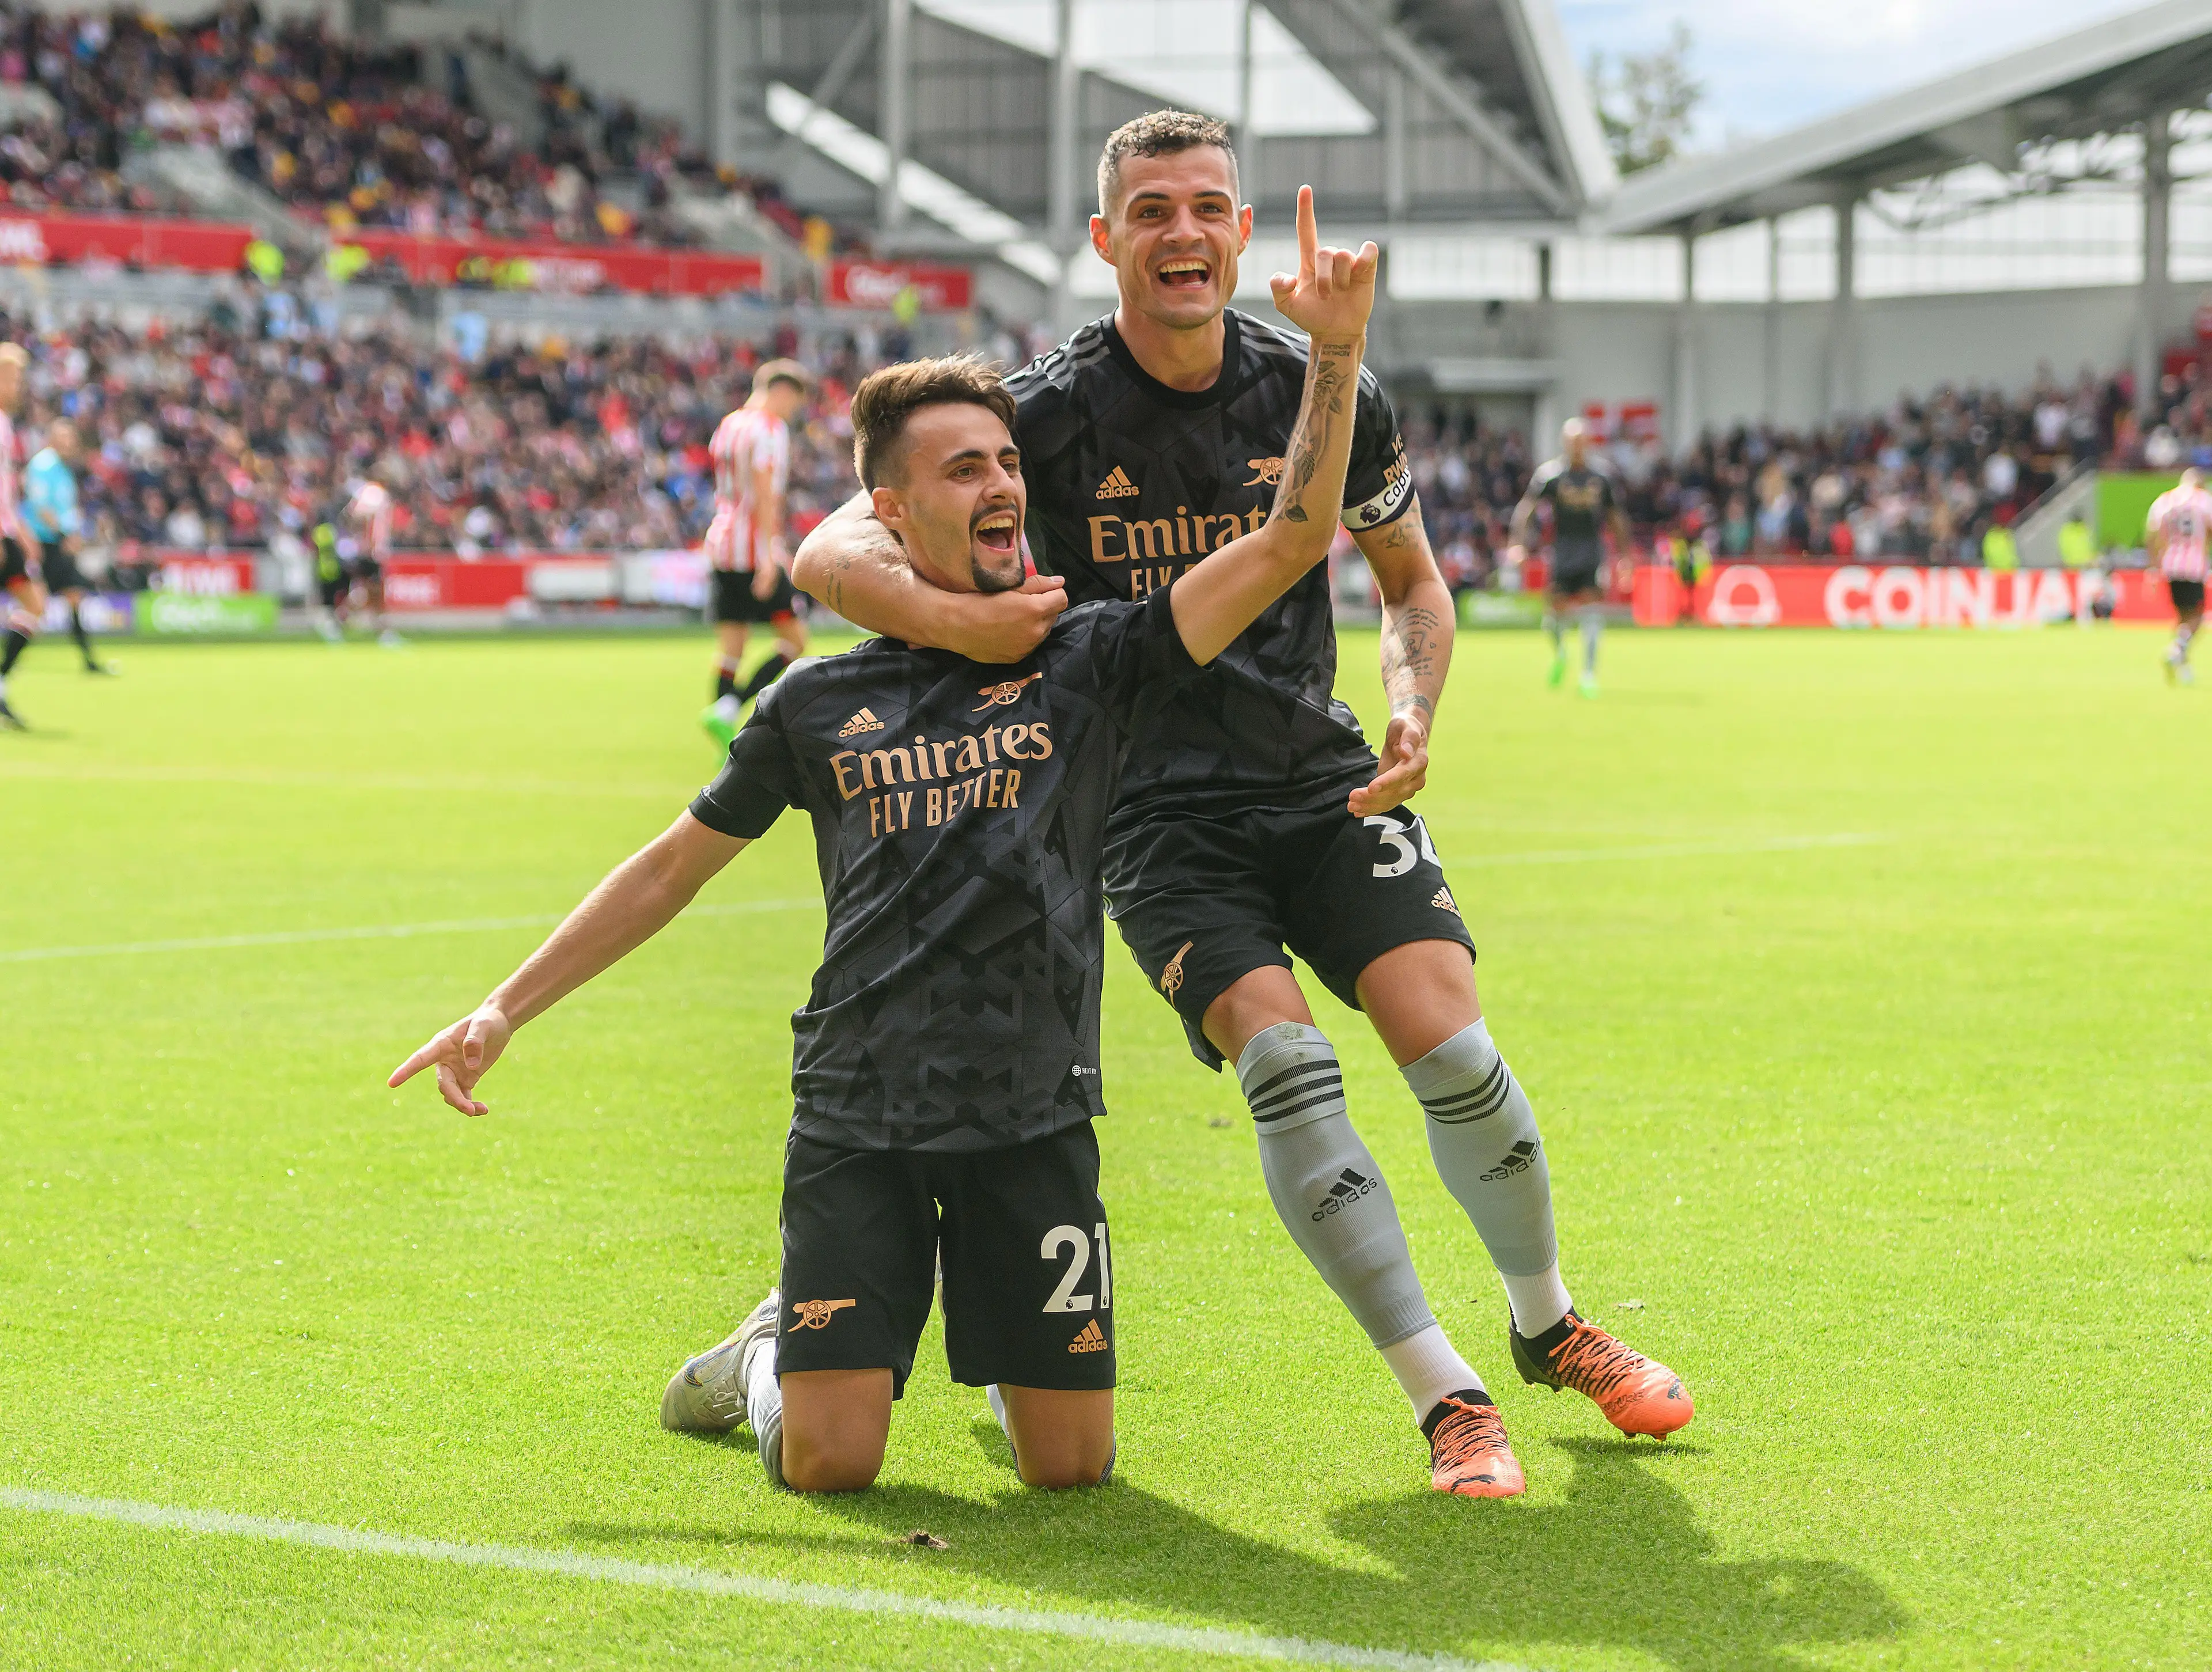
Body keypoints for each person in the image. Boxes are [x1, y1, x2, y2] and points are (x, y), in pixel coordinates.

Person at [391, 198, 1381, 1492]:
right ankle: (768, 1354)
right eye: (964, 468)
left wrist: (1335, 356)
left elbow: (1295, 537)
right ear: (890, 510)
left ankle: (876, 1318)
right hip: (859, 1107)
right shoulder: (815, 701)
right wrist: (502, 1006)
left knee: (1069, 1469)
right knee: (830, 1464)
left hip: (1033, 1114)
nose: (1002, 486)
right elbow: (671, 865)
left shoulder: (1095, 658)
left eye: (1007, 463)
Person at [794, 112, 1691, 1500]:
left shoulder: (1328, 385)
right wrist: (954, 627)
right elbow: (827, 547)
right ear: (1106, 241)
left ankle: (1547, 1321)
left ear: (1240, 235)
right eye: (1148, 209)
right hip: (1146, 813)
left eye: (1206, 206)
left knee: (1447, 1041)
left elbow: (1409, 580)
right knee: (1284, 1066)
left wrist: (1411, 704)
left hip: (1319, 776)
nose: (1180, 232)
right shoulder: (1037, 412)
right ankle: (1446, 1394)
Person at [700, 359, 812, 750]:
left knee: (731, 647)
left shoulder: (729, 424)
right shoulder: (769, 428)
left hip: (722, 544)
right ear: (781, 392)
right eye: (793, 404)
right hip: (753, 550)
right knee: (796, 642)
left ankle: (723, 740)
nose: (791, 413)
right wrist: (769, 555)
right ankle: (730, 708)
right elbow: (766, 493)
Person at [1508, 418, 1630, 697]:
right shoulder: (1550, 475)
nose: (1577, 447)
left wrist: (1625, 555)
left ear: (1588, 443)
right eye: (1572, 441)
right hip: (1562, 552)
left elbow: (1616, 517)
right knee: (1554, 614)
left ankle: (1588, 675)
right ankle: (1561, 653)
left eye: (1581, 441)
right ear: (1564, 443)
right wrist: (1517, 544)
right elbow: (1526, 510)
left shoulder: (1601, 476)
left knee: (1591, 609)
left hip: (1591, 551)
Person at [22, 420, 114, 677]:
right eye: (64, 437)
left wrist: (73, 534)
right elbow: (41, 508)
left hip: (58, 543)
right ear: (52, 438)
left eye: (71, 438)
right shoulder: (43, 466)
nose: (69, 443)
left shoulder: (63, 469)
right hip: (43, 543)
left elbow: (65, 509)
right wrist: (65, 535)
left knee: (73, 596)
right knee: (34, 601)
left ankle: (88, 659)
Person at [0, 343, 42, 729]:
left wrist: (20, 529)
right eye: (12, 377)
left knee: (35, 604)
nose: (18, 386)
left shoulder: (7, 423)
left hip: (7, 530)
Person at [2146, 466, 2212, 684]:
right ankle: (2176, 651)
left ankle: (2183, 667)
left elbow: (2152, 532)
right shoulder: (2203, 500)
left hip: (2171, 564)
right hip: (2194, 566)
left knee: (2182, 618)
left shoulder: (2166, 500)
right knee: (2198, 617)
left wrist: (2154, 565)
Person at [346, 473, 402, 647]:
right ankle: (383, 632)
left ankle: (340, 620)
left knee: (367, 592)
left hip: (370, 550)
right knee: (375, 592)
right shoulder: (375, 494)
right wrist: (370, 544)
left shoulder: (366, 492)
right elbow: (364, 517)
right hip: (371, 552)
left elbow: (353, 514)